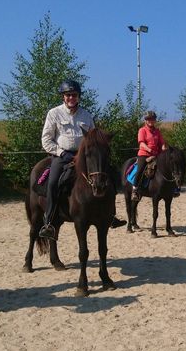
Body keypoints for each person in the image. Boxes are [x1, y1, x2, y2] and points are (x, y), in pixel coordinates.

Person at [39, 80, 125, 240]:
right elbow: (46, 140)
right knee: (52, 183)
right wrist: (61, 153)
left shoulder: (86, 115)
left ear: (78, 97)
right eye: (68, 95)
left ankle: (111, 216)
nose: (71, 97)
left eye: (74, 95)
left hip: (84, 156)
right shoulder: (54, 113)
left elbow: (94, 138)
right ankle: (49, 222)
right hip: (62, 156)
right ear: (63, 97)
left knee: (111, 177)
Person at [131, 110, 167, 201]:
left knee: (167, 166)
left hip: (157, 154)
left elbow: (162, 142)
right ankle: (135, 189)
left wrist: (163, 148)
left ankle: (172, 188)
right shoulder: (142, 130)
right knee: (140, 169)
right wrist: (149, 150)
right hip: (144, 154)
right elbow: (141, 143)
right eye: (149, 119)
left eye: (153, 119)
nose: (151, 121)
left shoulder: (157, 131)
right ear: (146, 120)